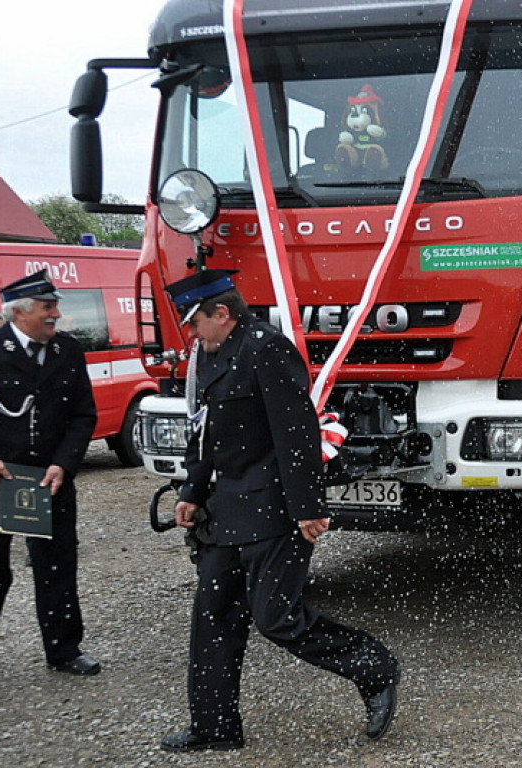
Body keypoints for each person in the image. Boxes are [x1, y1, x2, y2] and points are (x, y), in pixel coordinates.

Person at [159, 270, 400, 753]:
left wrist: (309, 508)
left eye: (195, 322)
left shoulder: (266, 349)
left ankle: (374, 667)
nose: (191, 332)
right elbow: (204, 434)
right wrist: (190, 489)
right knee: (213, 619)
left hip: (273, 510)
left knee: (276, 618)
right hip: (223, 511)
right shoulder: (207, 357)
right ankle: (215, 728)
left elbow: (296, 434)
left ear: (222, 314)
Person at [0, 271, 100, 691]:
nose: (56, 315)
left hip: (49, 479)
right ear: (20, 311)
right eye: (48, 307)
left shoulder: (68, 351)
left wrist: (64, 464)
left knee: (57, 567)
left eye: (54, 306)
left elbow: (83, 415)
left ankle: (64, 650)